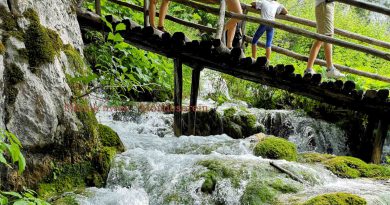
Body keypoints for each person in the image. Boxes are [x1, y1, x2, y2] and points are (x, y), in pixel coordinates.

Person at [304, 0, 345, 79]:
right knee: (328, 37)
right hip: (325, 4)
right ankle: (330, 69)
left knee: (319, 39)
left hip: (325, 4)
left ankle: (308, 69)